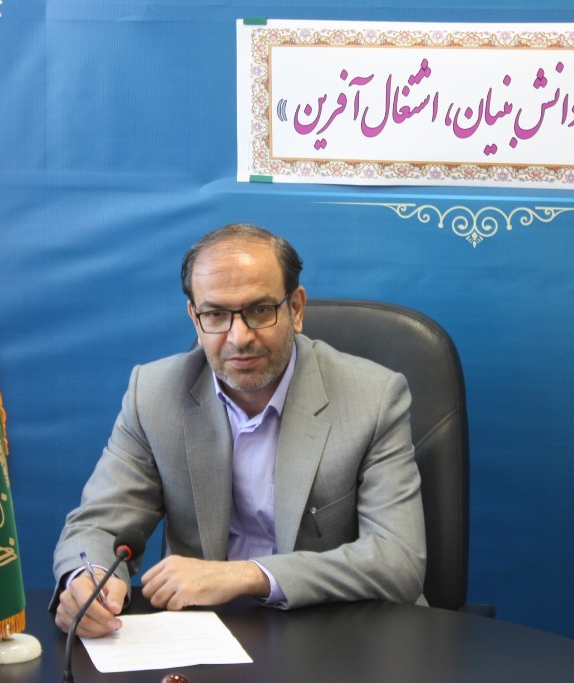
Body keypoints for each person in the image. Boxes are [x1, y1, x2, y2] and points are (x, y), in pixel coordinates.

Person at [52, 224, 425, 637]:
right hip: (204, 639)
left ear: (296, 309)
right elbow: (97, 526)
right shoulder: (153, 395)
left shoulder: (373, 397)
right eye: (215, 315)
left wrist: (248, 575)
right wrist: (89, 579)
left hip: (338, 635)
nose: (239, 337)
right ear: (195, 319)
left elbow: (398, 561)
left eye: (260, 310)